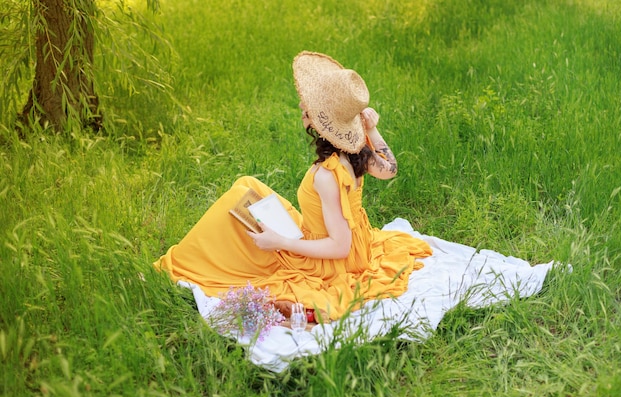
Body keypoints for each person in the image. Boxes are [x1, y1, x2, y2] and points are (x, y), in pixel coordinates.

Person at [153, 51, 433, 322]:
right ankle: (184, 260)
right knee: (245, 186)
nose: (301, 106)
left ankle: (174, 267)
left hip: (330, 261)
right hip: (348, 243)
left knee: (234, 205)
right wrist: (371, 130)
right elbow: (390, 169)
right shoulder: (357, 150)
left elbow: (340, 247)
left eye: (308, 104)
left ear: (323, 120)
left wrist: (280, 242)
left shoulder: (327, 175)